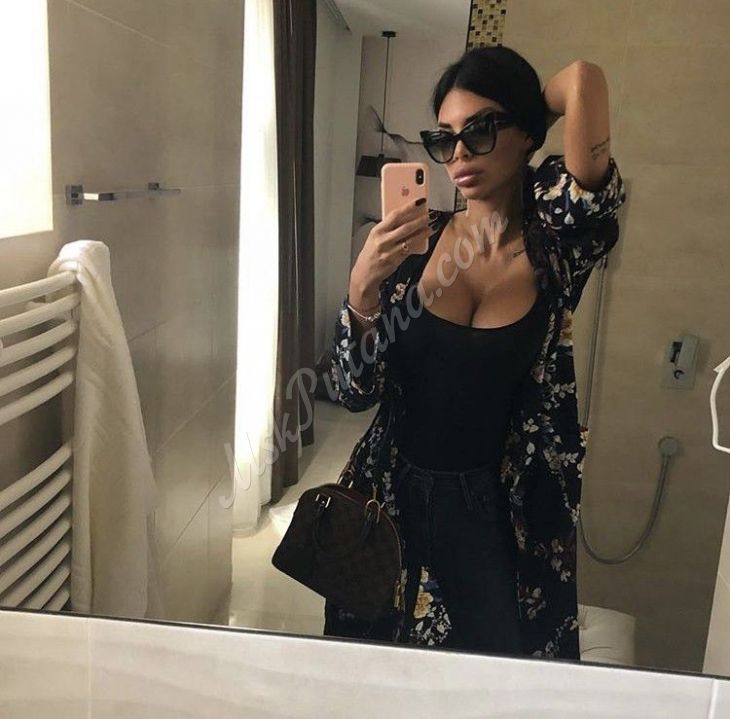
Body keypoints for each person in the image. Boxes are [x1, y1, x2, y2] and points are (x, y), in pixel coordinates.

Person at [324, 45, 627, 659]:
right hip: (390, 494)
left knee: (494, 672)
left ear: (527, 135)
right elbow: (353, 393)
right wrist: (361, 291)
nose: (459, 154)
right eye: (445, 138)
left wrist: (534, 110)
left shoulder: (557, 248)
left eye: (481, 131)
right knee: (369, 665)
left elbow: (583, 80)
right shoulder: (416, 243)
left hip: (500, 509)